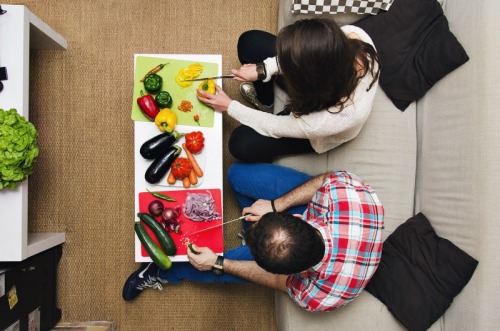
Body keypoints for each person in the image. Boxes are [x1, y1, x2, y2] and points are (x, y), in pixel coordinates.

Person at [122, 163, 384, 312]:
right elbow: (327, 179)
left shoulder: (316, 296)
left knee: (204, 264)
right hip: (333, 219)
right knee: (237, 175)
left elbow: (277, 280)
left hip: (320, 270)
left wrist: (219, 263)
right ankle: (256, 235)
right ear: (295, 219)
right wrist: (274, 205)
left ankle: (162, 272)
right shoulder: (348, 198)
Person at [196, 18, 380, 162]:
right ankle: (266, 103)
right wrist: (263, 69)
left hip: (317, 133)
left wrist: (230, 106)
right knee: (250, 42)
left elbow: (277, 127)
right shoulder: (353, 36)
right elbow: (305, 57)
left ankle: (270, 111)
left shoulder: (329, 120)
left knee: (240, 144)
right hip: (319, 86)